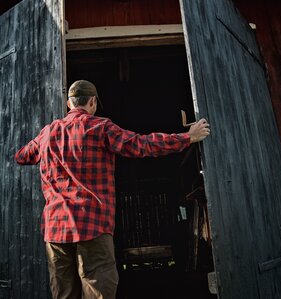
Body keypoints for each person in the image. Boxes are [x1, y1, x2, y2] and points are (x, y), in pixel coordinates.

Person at [14, 80, 210, 299]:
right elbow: (141, 145)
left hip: (56, 229)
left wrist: (48, 146)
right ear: (92, 102)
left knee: (63, 294)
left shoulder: (47, 133)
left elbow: (22, 156)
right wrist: (187, 137)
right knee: (98, 289)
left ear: (69, 104)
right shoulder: (100, 127)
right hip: (92, 225)